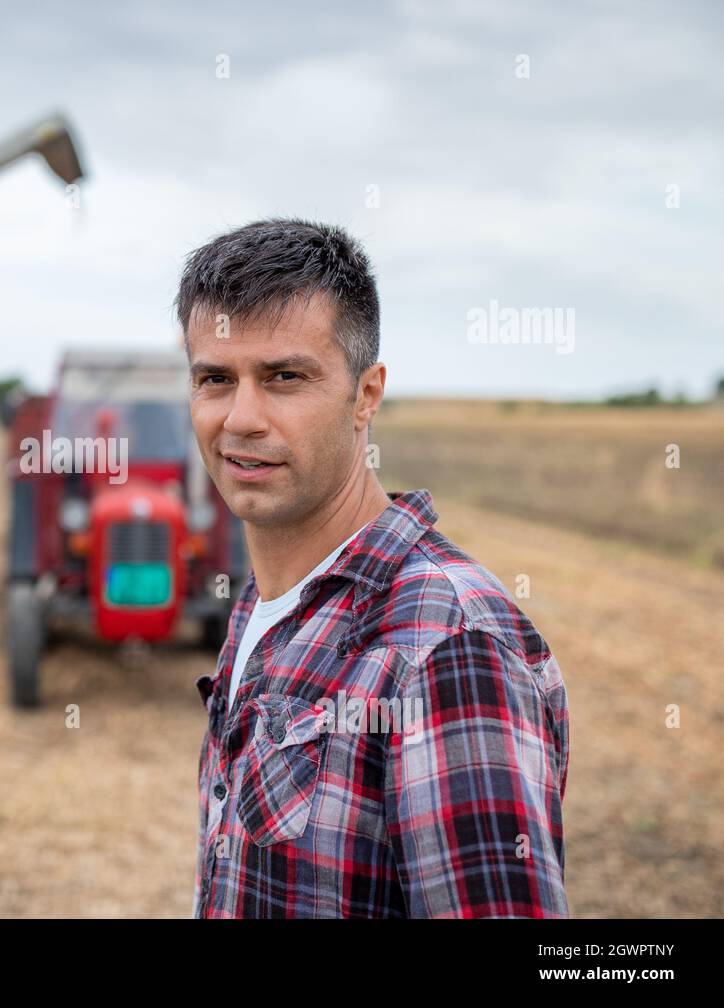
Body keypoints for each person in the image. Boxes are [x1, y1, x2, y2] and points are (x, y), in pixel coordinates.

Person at [180, 218, 569, 918]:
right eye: (215, 378)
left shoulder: (445, 647)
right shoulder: (266, 603)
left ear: (366, 394)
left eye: (284, 377)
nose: (241, 417)